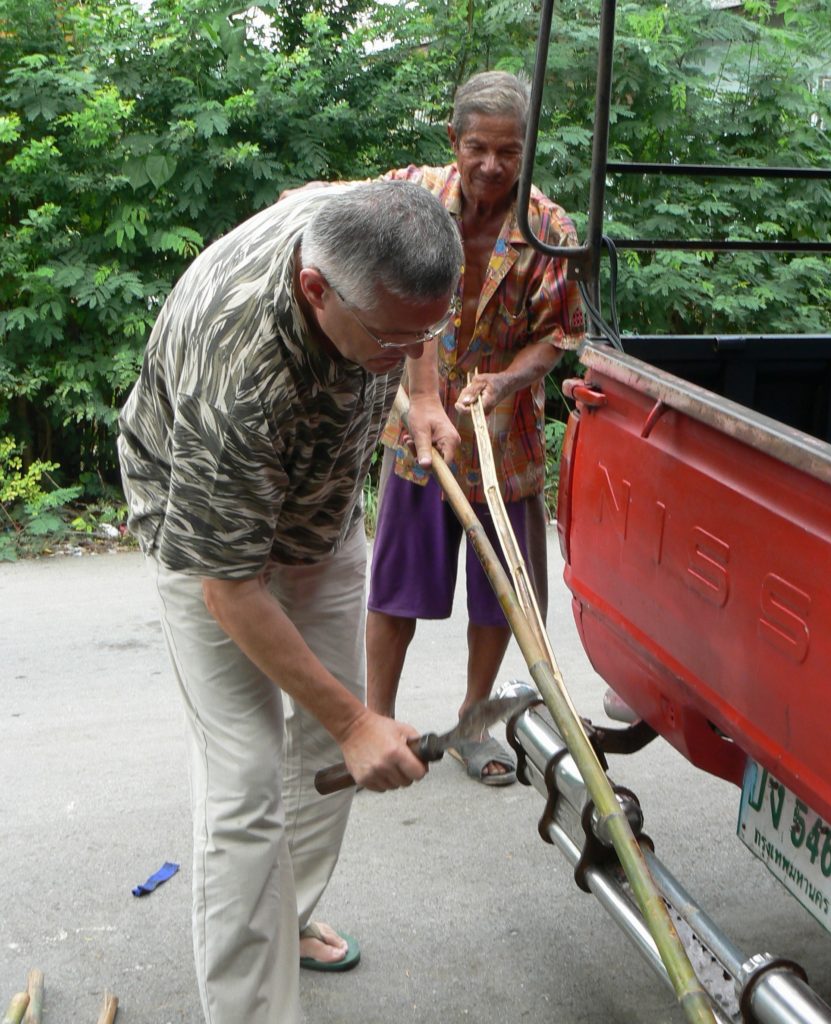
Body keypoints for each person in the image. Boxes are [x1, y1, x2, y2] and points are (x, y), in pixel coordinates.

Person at [117, 180, 463, 1024]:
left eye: (428, 328)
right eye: (391, 337)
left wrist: (420, 388)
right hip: (208, 540)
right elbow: (230, 589)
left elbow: (411, 317)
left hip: (319, 512)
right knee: (242, 781)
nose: (409, 346)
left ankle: (290, 916)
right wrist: (357, 721)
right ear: (316, 290)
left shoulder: (371, 224)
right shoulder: (237, 367)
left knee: (324, 749)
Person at [365, 71, 586, 785]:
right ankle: (374, 724)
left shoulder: (550, 230)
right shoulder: (412, 196)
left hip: (506, 442)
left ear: (526, 153)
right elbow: (336, 218)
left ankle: (470, 725)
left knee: (498, 597)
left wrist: (506, 381)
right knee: (395, 589)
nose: (492, 165)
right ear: (452, 143)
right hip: (417, 438)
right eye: (478, 148)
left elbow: (561, 336)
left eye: (509, 151)